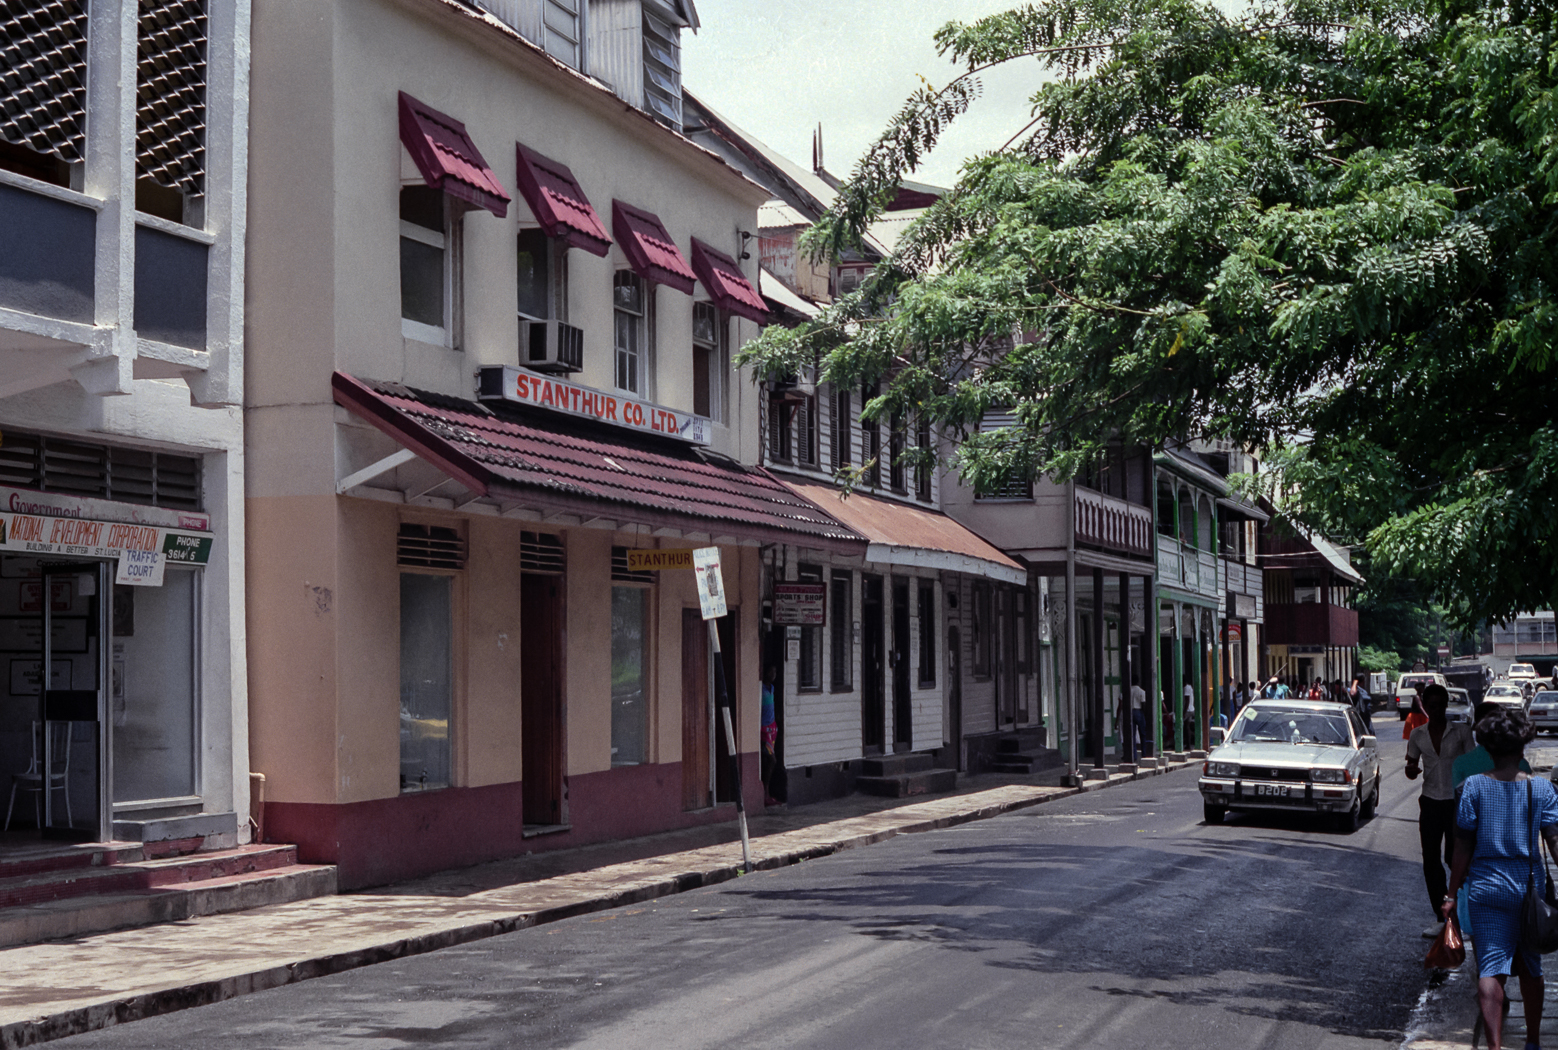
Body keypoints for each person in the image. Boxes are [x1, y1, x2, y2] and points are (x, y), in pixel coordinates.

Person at [1445, 708, 1558, 1050]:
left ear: (1487, 749)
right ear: (1523, 747)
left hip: (1486, 890)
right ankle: (1534, 1042)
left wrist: (1451, 895)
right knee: (1530, 966)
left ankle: (1494, 1046)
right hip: (1529, 890)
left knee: (1491, 969)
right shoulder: (1542, 790)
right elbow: (1554, 843)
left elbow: (1462, 848)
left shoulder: (1473, 788)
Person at [1406, 683, 1475, 931]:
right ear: (1424, 705)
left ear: (1447, 705)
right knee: (1431, 860)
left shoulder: (1461, 733)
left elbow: (1472, 764)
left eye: (1440, 705)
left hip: (1456, 802)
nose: (1435, 710)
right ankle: (1442, 915)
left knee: (1454, 857)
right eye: (1430, 705)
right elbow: (1410, 767)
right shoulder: (1418, 735)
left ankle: (1460, 908)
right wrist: (1411, 770)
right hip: (1431, 801)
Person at [759, 666, 780, 806]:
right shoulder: (759, 688)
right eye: (770, 671)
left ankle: (767, 793)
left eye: (775, 671)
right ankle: (765, 792)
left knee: (768, 761)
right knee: (772, 760)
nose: (773, 674)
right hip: (763, 730)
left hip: (771, 728)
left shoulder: (771, 688)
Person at [1126, 674, 1147, 761]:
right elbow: (1143, 704)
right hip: (1139, 711)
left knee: (1132, 735)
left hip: (1130, 711)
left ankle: (1134, 755)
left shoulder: (1128, 691)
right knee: (1143, 734)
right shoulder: (1142, 691)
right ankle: (1144, 753)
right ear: (1138, 681)